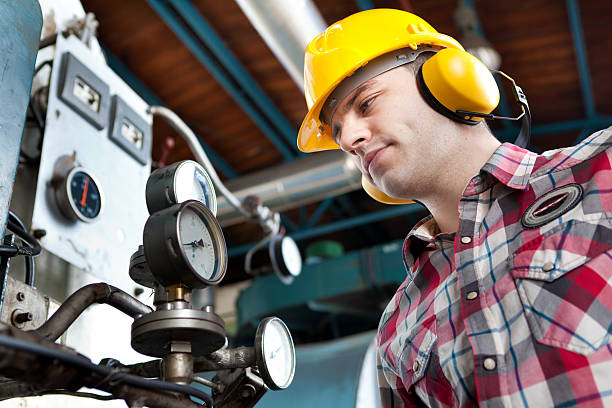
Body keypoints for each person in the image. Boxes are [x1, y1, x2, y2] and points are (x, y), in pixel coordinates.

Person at [297, 8, 612, 408]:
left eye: (367, 103)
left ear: (447, 80)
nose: (351, 139)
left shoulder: (603, 168)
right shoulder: (396, 327)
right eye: (339, 132)